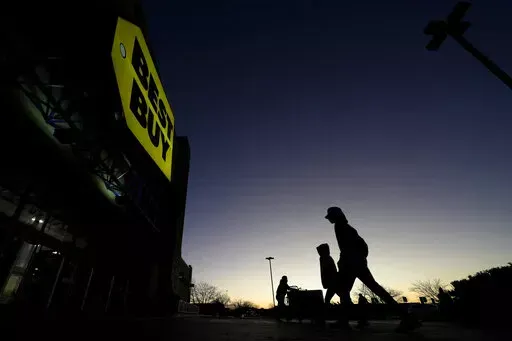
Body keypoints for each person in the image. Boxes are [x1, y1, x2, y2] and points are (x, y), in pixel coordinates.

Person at [325, 206, 421, 332]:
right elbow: (363, 246)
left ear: (335, 216)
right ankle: (406, 317)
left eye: (330, 217)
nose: (329, 220)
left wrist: (346, 261)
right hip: (358, 263)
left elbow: (349, 248)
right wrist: (361, 259)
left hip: (350, 264)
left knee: (345, 291)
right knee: (373, 289)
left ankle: (343, 322)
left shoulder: (340, 227)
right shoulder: (348, 228)